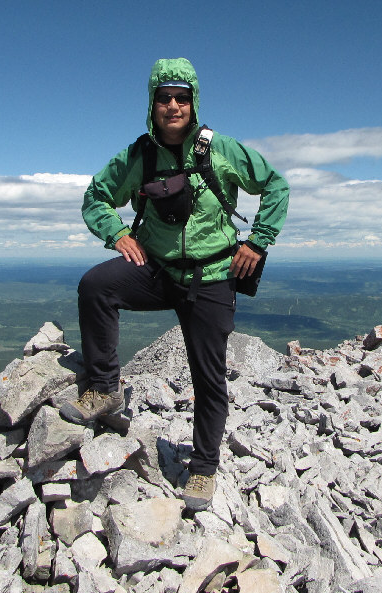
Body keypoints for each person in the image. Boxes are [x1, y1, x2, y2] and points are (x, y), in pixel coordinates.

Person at [59, 58, 289, 510]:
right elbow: (96, 196)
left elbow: (276, 185)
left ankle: (203, 469)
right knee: (96, 286)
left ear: (193, 102)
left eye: (181, 97)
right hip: (158, 270)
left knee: (208, 378)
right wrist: (118, 234)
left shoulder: (219, 149)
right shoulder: (140, 155)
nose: (173, 105)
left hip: (213, 277)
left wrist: (258, 244)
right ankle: (105, 388)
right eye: (164, 97)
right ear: (152, 103)